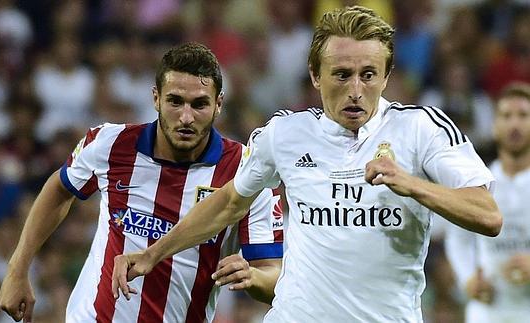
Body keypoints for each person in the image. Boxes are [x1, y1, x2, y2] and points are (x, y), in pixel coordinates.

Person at [112, 6, 503, 322]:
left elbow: (488, 215)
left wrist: (412, 184)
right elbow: (230, 201)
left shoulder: (422, 129)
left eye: (369, 75)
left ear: (387, 77)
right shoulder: (285, 134)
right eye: (341, 75)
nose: (355, 90)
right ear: (315, 76)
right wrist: (152, 254)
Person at [0, 42, 283, 323]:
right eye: (175, 101)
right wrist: (18, 268)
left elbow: (274, 278)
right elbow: (61, 189)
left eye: (199, 104)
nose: (186, 117)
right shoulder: (110, 144)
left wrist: (253, 277)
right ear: (156, 98)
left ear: (218, 104)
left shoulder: (248, 173)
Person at [445, 82, 530, 323]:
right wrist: (468, 278)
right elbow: (458, 238)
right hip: (489, 310)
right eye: (506, 116)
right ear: (494, 127)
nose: (514, 123)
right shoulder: (478, 184)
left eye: (523, 115)